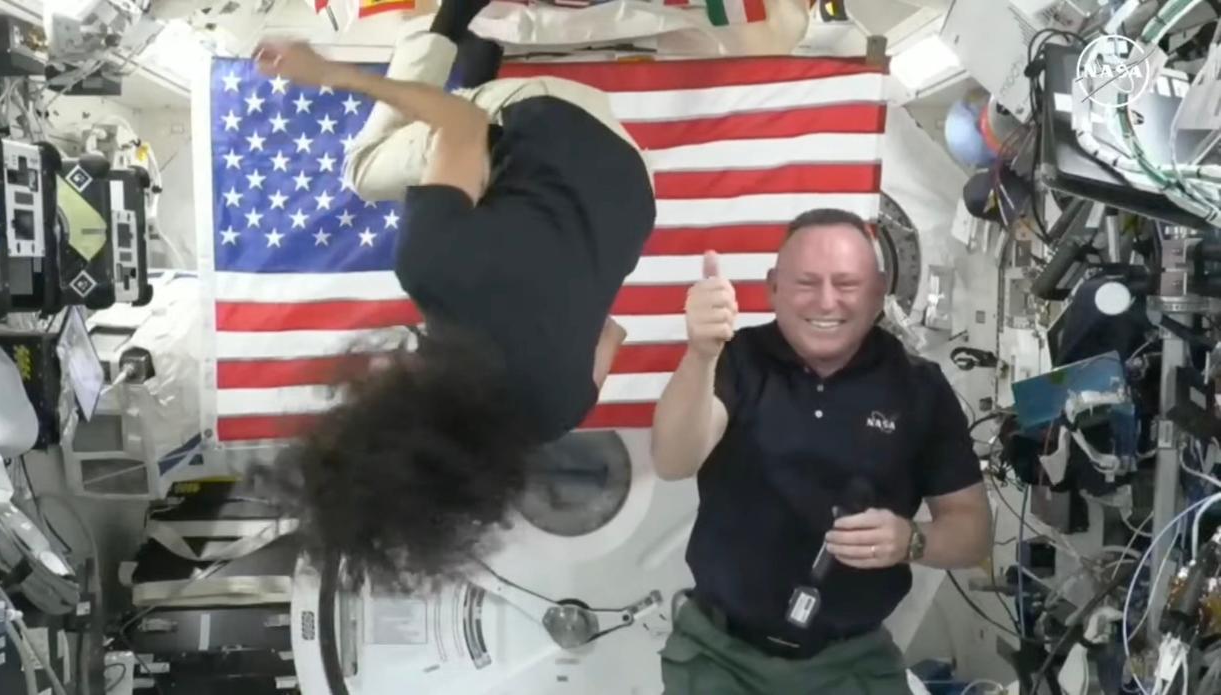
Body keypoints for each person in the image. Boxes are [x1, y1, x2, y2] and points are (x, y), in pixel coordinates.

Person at [250, 0, 655, 590]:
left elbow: (612, 332)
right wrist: (328, 74)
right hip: (551, 112)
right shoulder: (430, 266)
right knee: (365, 173)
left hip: (635, 184)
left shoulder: (551, 418)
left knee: (484, 203)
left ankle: (474, 114)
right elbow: (460, 126)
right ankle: (450, 24)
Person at [650, 208, 993, 695]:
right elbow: (672, 460)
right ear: (773, 289)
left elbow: (972, 532)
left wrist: (911, 541)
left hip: (850, 665)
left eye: (847, 284)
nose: (827, 302)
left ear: (878, 293)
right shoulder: (739, 359)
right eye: (806, 283)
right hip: (718, 659)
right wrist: (701, 354)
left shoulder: (919, 390)